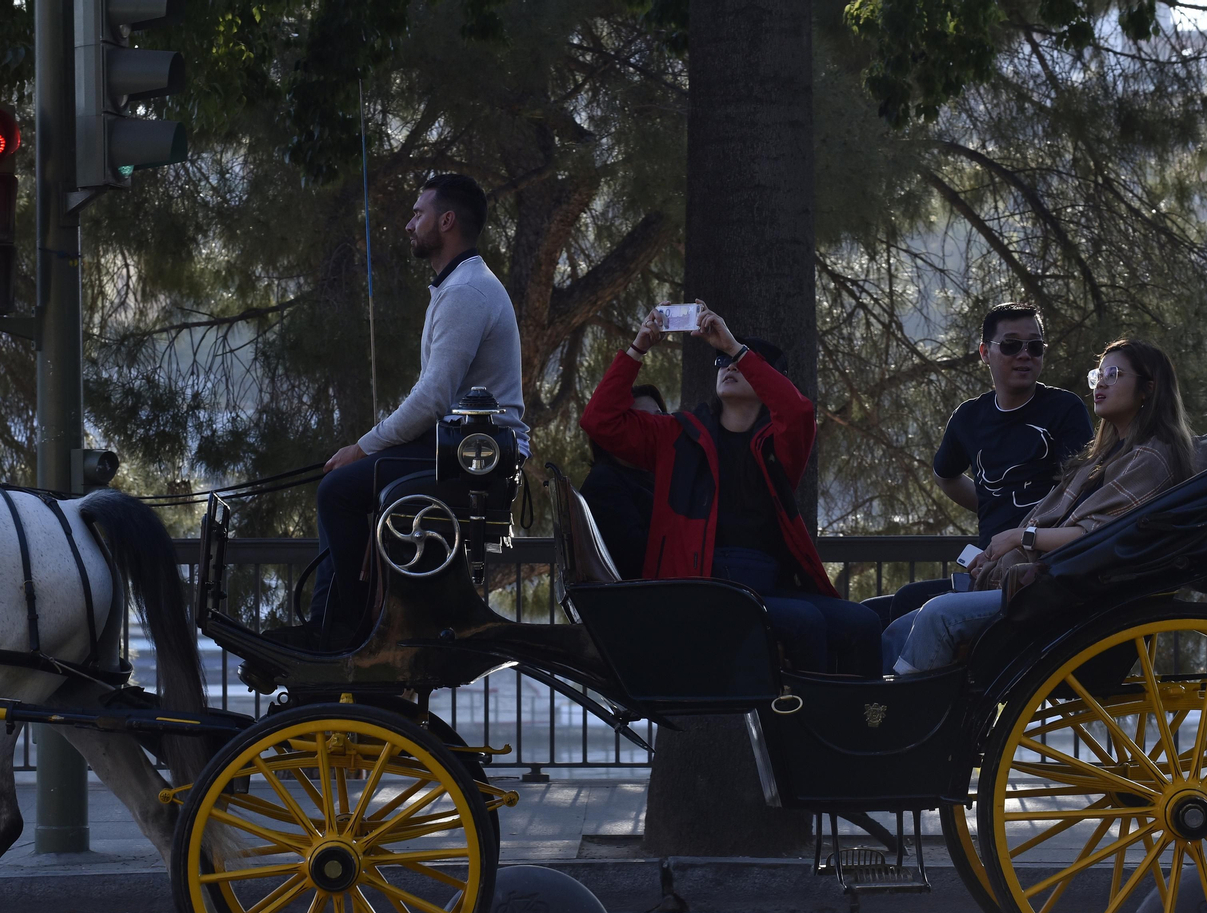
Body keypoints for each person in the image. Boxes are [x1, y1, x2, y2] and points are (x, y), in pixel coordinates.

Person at [580, 301, 884, 676]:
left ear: (770, 382)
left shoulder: (776, 444)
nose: (730, 366)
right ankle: (797, 731)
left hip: (766, 583)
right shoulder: (678, 434)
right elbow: (599, 421)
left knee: (864, 624)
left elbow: (799, 413)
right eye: (722, 361)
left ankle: (856, 726)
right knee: (805, 622)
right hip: (703, 587)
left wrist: (734, 348)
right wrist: (638, 348)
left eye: (743, 360)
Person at [301, 173, 529, 647]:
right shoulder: (459, 286)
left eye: (418, 213)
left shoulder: (466, 292)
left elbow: (431, 399)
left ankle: (342, 633)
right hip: (463, 444)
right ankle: (346, 622)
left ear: (446, 222)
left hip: (478, 455)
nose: (409, 224)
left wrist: (362, 448)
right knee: (343, 485)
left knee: (337, 491)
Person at [882, 338, 1194, 674]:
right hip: (1050, 588)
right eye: (1098, 374)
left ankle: (906, 721)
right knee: (899, 627)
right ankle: (881, 712)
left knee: (937, 615)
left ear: (1148, 388)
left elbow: (1100, 537)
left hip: (1077, 599)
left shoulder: (1151, 458)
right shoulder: (1102, 457)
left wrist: (1020, 537)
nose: (1101, 382)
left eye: (1114, 374)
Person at [870, 302, 1093, 625]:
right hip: (988, 569)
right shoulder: (968, 418)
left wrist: (1022, 531)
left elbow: (1081, 493)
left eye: (1035, 346)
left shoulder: (1064, 410)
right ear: (985, 352)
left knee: (907, 603)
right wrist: (991, 503)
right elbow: (945, 476)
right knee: (871, 612)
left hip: (1037, 573)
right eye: (1012, 345)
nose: (1024, 355)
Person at [580, 383, 667, 579]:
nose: (657, 425)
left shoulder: (657, 476)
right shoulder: (604, 484)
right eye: (643, 419)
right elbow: (635, 559)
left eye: (660, 416)